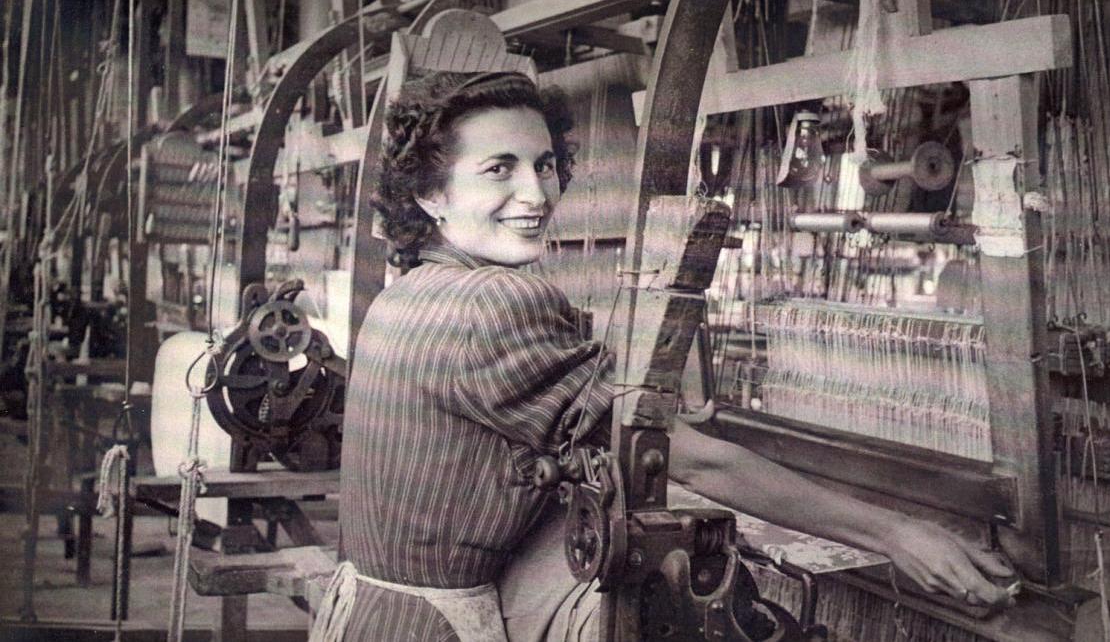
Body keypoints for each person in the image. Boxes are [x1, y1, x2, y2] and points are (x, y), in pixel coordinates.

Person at [321, 71, 1014, 641]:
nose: (536, 194)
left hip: (367, 611)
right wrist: (897, 531)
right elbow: (683, 454)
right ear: (430, 194)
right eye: (498, 169)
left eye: (545, 164)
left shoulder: (410, 291)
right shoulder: (492, 303)